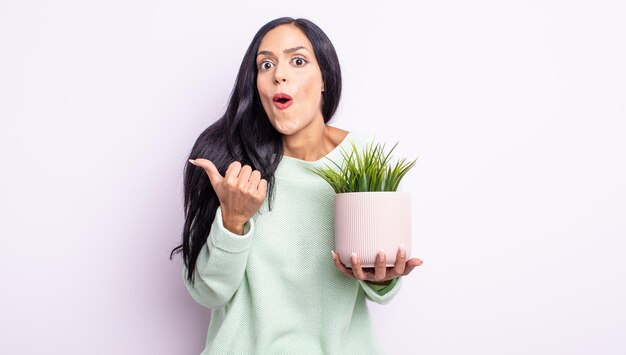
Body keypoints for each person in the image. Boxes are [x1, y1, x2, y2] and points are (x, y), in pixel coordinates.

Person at [171, 17, 423, 354]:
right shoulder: (231, 166)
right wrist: (233, 221)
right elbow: (207, 293)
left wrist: (382, 278)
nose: (279, 74)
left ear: (324, 80)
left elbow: (383, 284)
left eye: (298, 61)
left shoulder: (365, 160)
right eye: (266, 64)